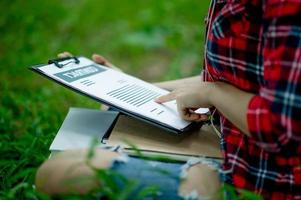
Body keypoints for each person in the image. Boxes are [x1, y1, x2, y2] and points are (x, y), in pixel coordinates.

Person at [36, 0, 301, 199]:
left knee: (58, 172)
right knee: (70, 152)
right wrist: (127, 88)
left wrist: (213, 94)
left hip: (266, 179)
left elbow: (282, 126)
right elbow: (232, 81)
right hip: (234, 143)